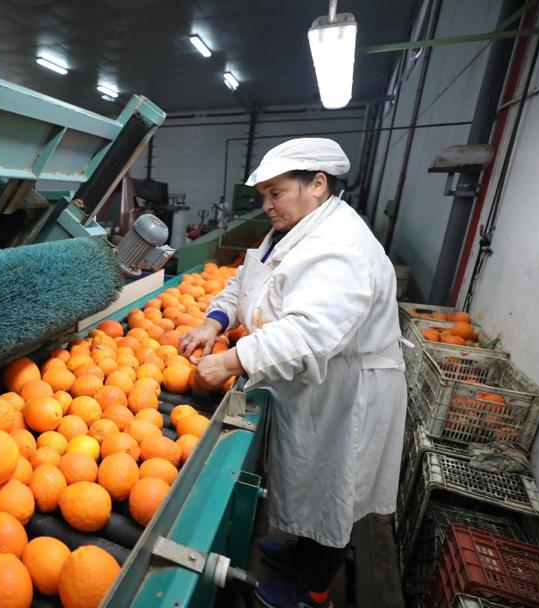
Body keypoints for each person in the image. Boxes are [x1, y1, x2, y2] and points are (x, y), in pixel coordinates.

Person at [180, 138, 406, 608]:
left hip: (346, 391)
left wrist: (231, 360)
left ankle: (314, 590)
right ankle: (302, 549)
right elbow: (248, 280)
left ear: (317, 185)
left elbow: (309, 333)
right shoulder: (291, 230)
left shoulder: (341, 247)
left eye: (275, 193)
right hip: (309, 384)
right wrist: (214, 321)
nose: (266, 206)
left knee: (333, 487)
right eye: (263, 195)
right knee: (309, 479)